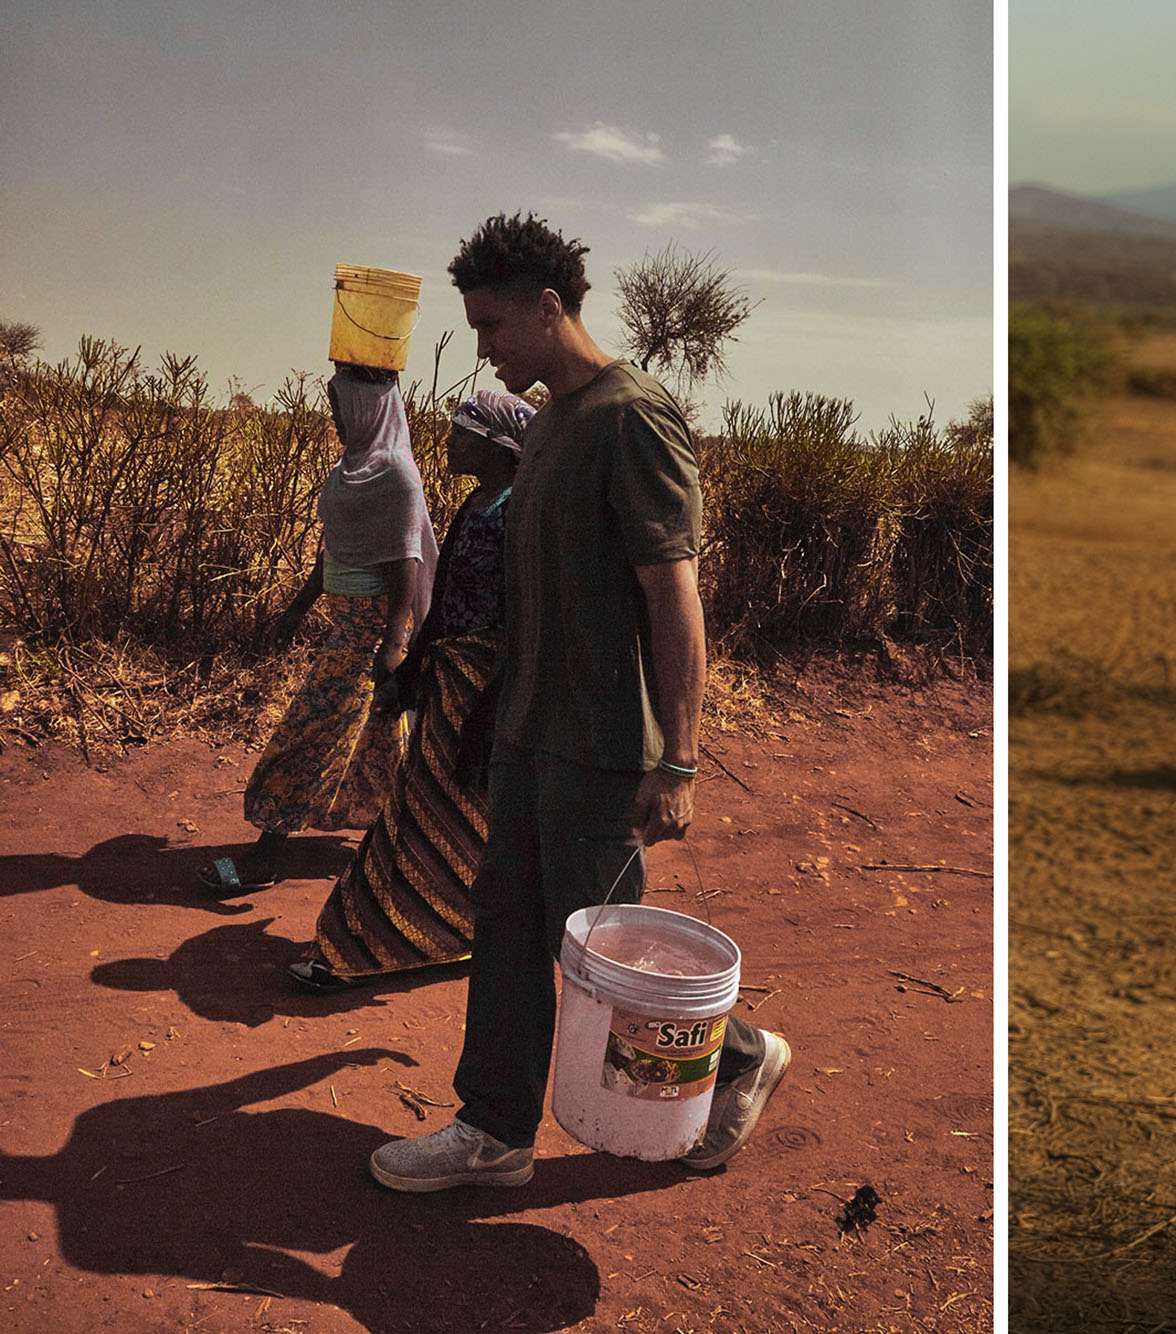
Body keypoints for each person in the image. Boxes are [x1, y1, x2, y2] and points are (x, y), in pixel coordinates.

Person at [369, 213, 787, 1191]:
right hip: (525, 729)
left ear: (549, 308)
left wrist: (677, 760)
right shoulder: (551, 418)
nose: (481, 346)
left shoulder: (628, 417)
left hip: (600, 743)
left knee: (599, 943)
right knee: (507, 918)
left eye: (492, 324)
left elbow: (671, 593)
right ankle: (494, 1129)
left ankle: (735, 1055)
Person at [287, 390, 534, 991]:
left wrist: (490, 700)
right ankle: (390, 937)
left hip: (484, 691)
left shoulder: (515, 514)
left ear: (499, 447)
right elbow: (444, 593)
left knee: (440, 816)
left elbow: (525, 618)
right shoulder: (478, 504)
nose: (449, 441)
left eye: (463, 433)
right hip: (451, 682)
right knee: (425, 812)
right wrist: (412, 669)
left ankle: (379, 943)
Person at [202, 364, 437, 893]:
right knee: (381, 743)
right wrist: (298, 607)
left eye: (340, 405)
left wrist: (393, 644)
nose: (333, 415)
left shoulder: (397, 473)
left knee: (307, 733)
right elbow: (332, 548)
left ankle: (267, 856)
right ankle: (404, 856)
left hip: (368, 636)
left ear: (368, 411)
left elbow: (407, 562)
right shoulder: (351, 468)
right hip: (345, 629)